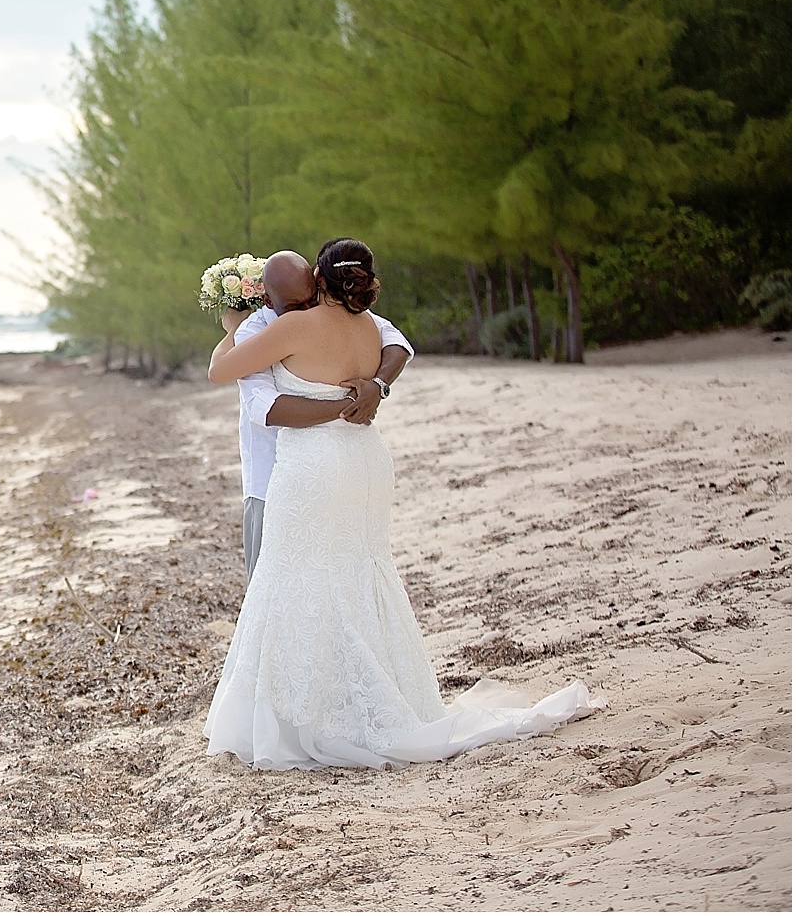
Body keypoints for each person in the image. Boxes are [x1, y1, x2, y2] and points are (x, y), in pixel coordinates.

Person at [200, 237, 602, 769]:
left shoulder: (289, 328)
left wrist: (235, 332)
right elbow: (397, 350)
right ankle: (373, 696)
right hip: (366, 462)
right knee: (361, 572)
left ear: (320, 281)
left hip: (316, 467)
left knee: (295, 574)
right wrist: (372, 392)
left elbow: (221, 373)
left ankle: (306, 716)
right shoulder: (371, 330)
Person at [226, 248, 413, 582]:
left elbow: (396, 341)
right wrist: (348, 406)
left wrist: (379, 385)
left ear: (317, 282)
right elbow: (260, 405)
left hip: (328, 469)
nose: (305, 311)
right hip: (277, 473)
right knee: (285, 582)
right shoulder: (255, 331)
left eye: (310, 300)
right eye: (294, 306)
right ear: (267, 301)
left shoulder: (336, 315)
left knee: (345, 576)